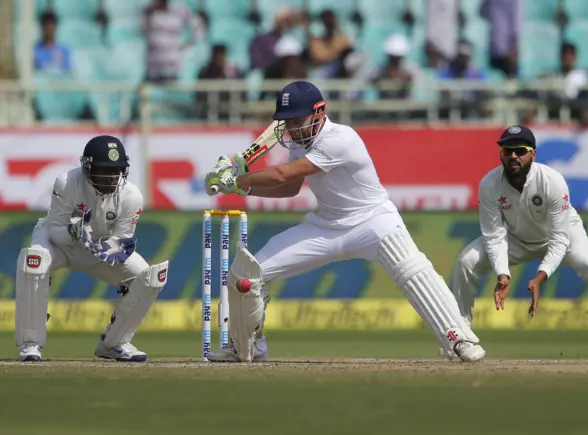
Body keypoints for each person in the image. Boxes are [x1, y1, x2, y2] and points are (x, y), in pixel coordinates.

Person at [203, 80, 486, 363]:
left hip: (374, 221)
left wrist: (235, 178)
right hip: (325, 227)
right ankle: (245, 348)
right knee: (246, 275)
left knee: (412, 270)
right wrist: (240, 188)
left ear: (319, 112)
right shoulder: (301, 141)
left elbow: (283, 175)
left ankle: (459, 339)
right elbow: (290, 188)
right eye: (286, 122)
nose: (290, 129)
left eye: (297, 120)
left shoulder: (341, 138)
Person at [451, 125, 588, 356]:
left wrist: (541, 275)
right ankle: (461, 336)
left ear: (533, 154)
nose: (513, 156)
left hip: (561, 235)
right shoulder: (489, 184)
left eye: (520, 150)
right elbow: (494, 235)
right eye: (507, 151)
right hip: (515, 238)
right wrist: (503, 274)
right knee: (466, 262)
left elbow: (559, 238)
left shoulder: (552, 181)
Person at [14, 136, 169, 362]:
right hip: (59, 244)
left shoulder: (132, 196)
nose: (112, 177)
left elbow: (122, 238)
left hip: (97, 249)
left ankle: (114, 343)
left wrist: (110, 250)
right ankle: (31, 343)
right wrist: (75, 232)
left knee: (148, 277)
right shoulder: (67, 182)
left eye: (117, 171)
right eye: (105, 170)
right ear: (88, 168)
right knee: (34, 261)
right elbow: (55, 229)